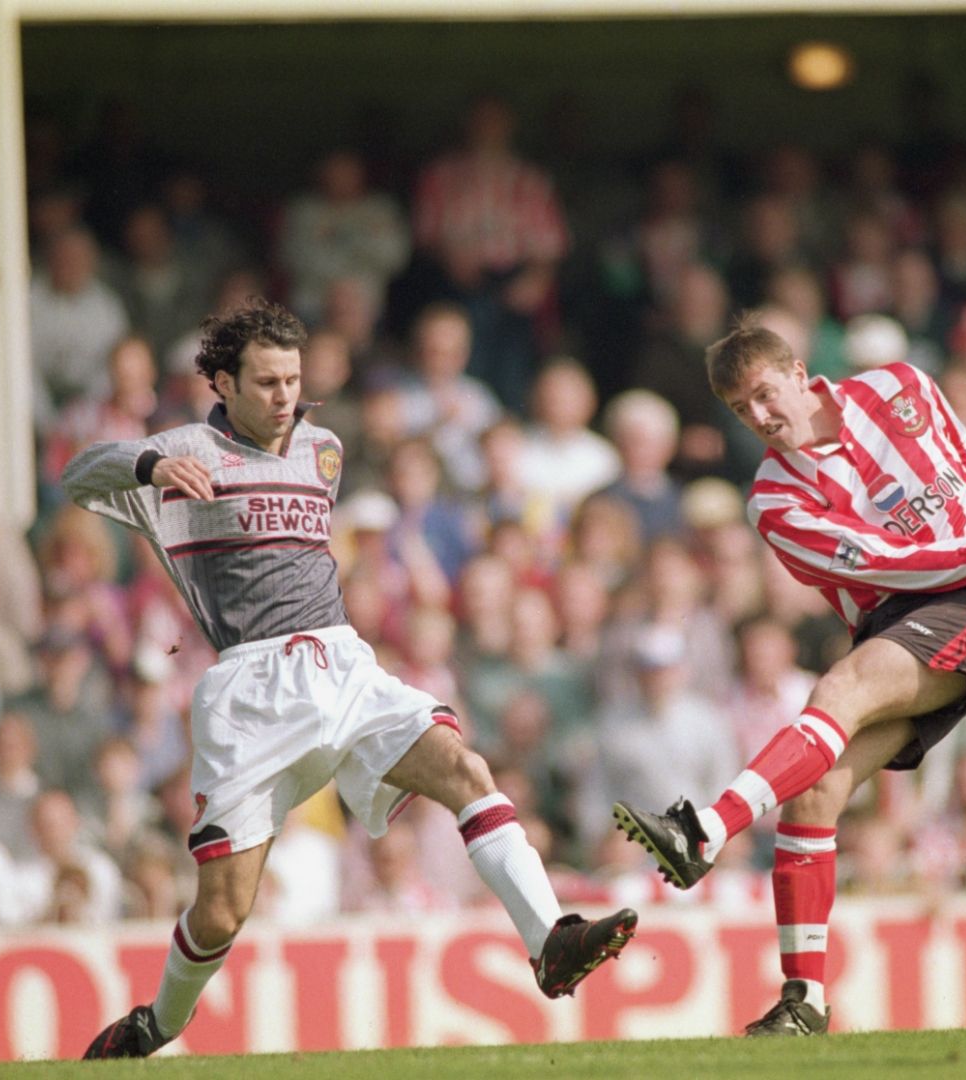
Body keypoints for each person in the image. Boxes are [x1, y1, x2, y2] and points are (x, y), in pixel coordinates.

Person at [65, 298, 634, 1059]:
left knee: (465, 767)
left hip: (342, 662)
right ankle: (157, 1024)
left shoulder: (324, 449)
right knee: (224, 913)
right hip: (251, 694)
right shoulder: (187, 450)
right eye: (265, 382)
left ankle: (550, 942)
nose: (283, 396)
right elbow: (77, 476)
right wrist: (149, 463)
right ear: (224, 383)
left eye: (292, 380)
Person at [610, 317, 966, 1035]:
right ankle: (806, 1001)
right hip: (916, 606)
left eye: (763, 394)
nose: (759, 417)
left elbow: (964, 470)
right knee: (814, 794)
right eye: (740, 410)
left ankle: (706, 830)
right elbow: (874, 561)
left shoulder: (900, 386)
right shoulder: (772, 499)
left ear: (797, 372)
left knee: (836, 693)